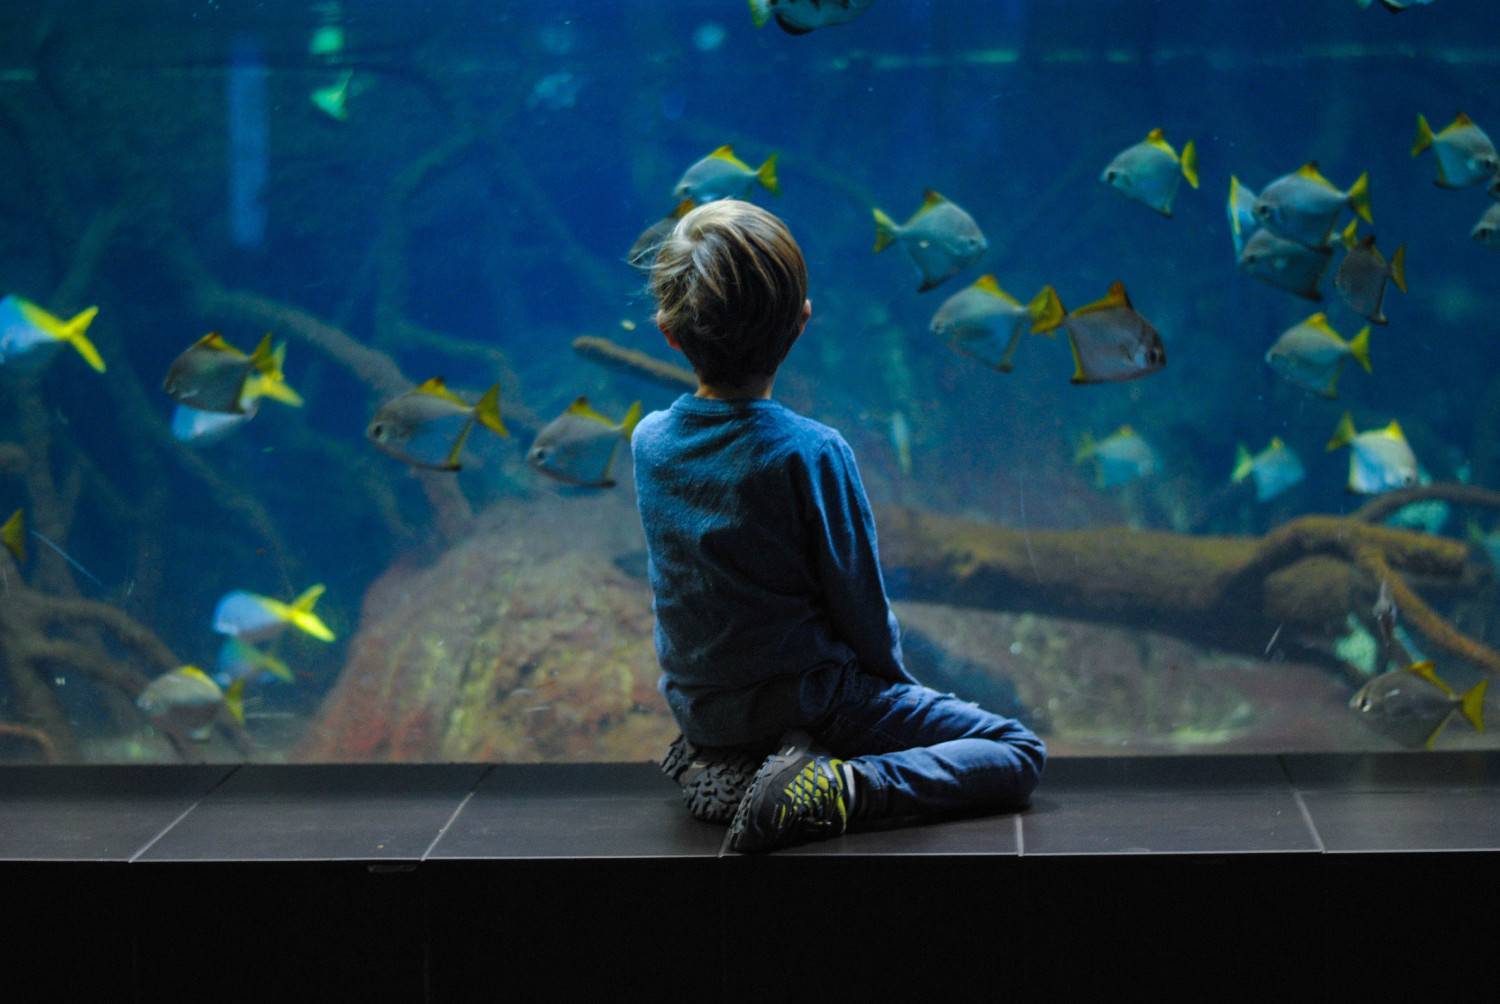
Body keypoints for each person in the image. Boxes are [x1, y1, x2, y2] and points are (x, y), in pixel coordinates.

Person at [631, 199, 1046, 853]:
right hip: (809, 699)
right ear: (801, 324)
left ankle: (730, 762)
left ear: (669, 332)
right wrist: (894, 685)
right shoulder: (810, 451)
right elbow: (858, 600)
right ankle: (840, 788)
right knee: (1015, 749)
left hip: (702, 708)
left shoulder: (648, 441)